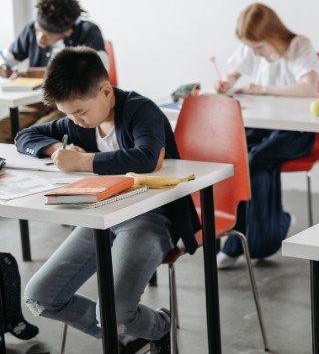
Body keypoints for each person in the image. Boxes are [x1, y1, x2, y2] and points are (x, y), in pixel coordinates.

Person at [15, 47, 200, 354]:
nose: (75, 121)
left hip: (152, 216)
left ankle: (159, 327)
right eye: (68, 115)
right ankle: (125, 336)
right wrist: (56, 151)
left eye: (80, 112)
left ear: (105, 91)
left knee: (113, 311)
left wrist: (82, 163)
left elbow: (147, 157)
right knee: (39, 297)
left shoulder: (141, 111)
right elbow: (25, 136)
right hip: (101, 215)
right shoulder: (80, 122)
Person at [214, 2, 319, 269]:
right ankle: (271, 226)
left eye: (259, 47)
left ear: (273, 35)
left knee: (256, 159)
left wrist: (263, 89)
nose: (255, 53)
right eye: (251, 48)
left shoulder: (299, 46)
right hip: (263, 126)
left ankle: (246, 242)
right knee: (233, 156)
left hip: (298, 131)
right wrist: (227, 81)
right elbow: (233, 72)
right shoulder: (253, 47)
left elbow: (310, 87)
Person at [0, 0, 107, 143]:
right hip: (38, 101)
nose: (40, 39)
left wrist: (32, 73)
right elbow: (7, 57)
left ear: (67, 32)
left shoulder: (88, 32)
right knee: (3, 128)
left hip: (71, 104)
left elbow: (98, 74)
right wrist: (4, 66)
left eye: (48, 35)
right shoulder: (30, 29)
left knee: (33, 134)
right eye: (39, 30)